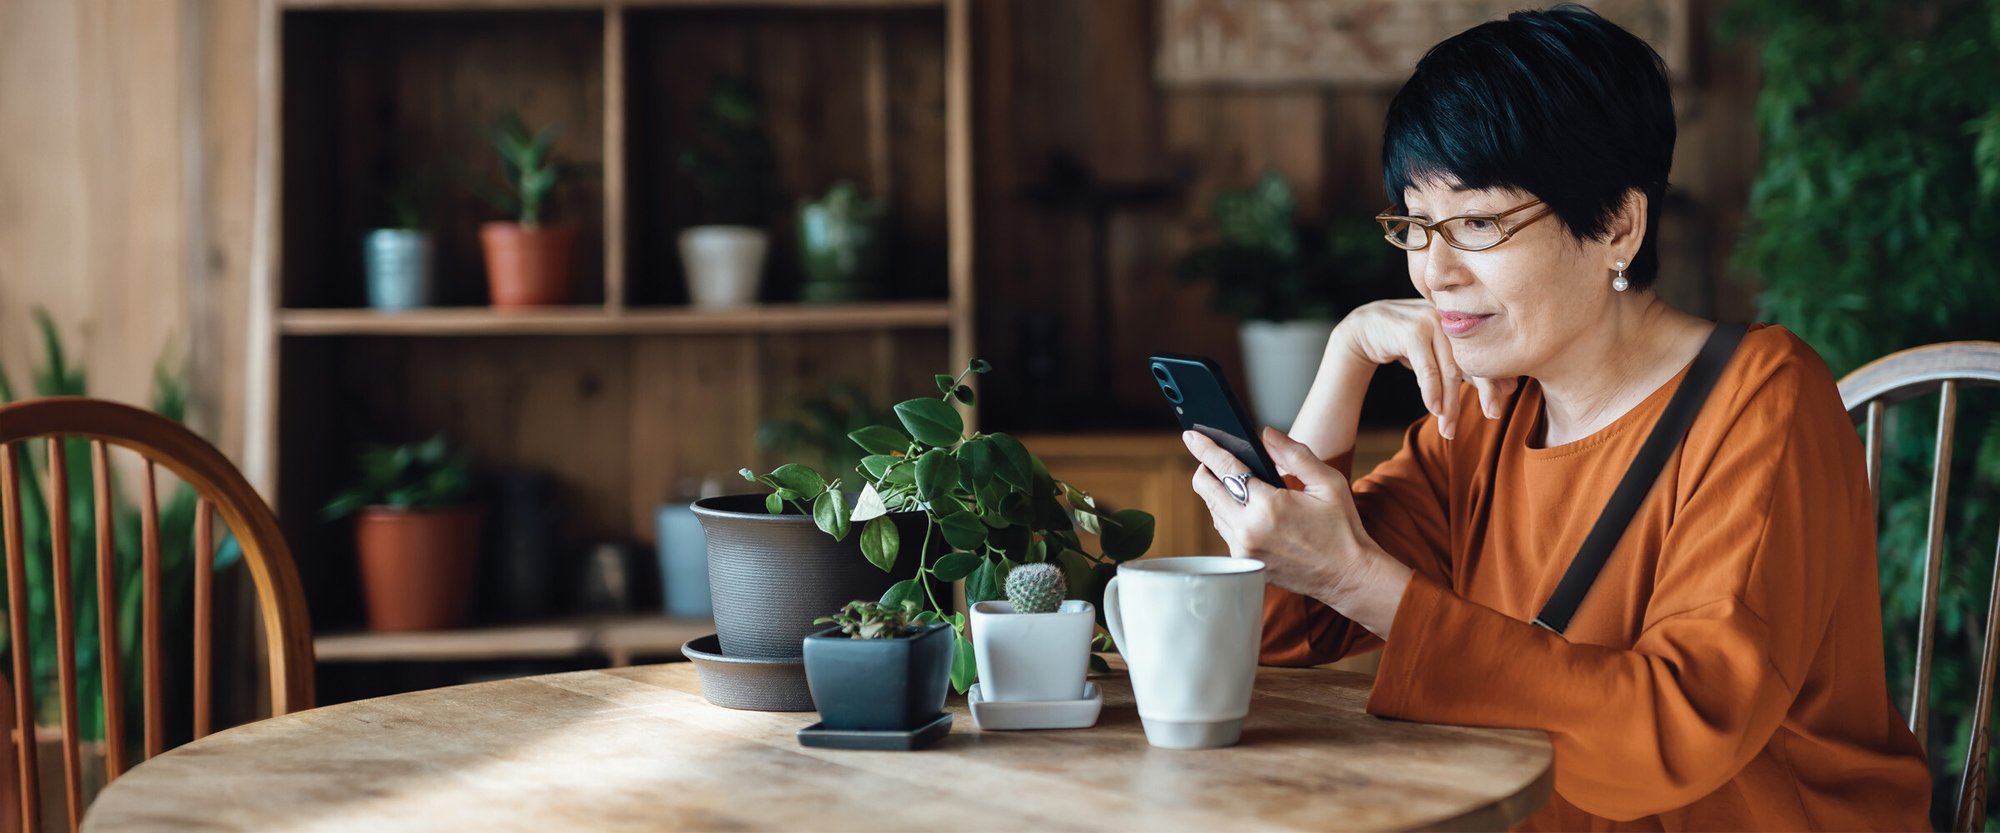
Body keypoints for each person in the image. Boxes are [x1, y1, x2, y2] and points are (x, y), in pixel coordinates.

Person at [1179, 5, 1932, 830]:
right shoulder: (1490, 412)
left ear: (1617, 222)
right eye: (1415, 224)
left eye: (1477, 223)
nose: (1433, 271)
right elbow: (1282, 621)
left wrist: (1360, 578)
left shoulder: (1764, 399)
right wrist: (1347, 355)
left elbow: (1672, 733)